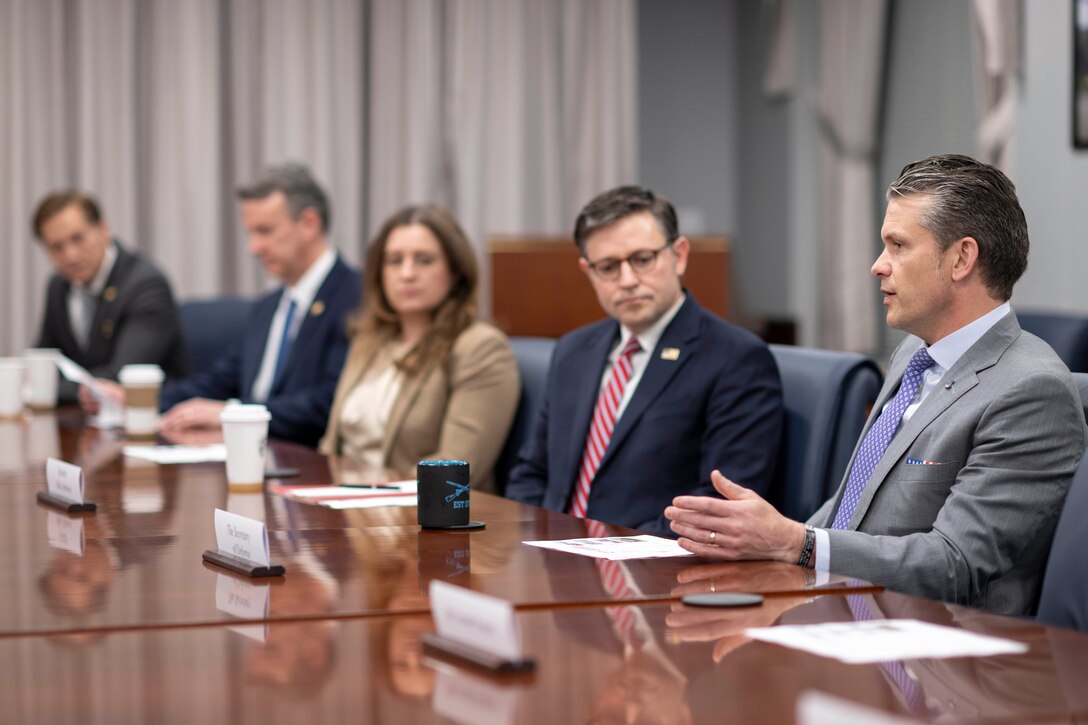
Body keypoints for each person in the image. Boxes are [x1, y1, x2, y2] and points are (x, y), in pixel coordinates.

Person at [665, 154, 1088, 616]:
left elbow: (954, 566)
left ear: (962, 258)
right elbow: (855, 504)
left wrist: (797, 543)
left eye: (898, 246)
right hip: (848, 611)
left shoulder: (1031, 392)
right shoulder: (913, 353)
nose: (877, 266)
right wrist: (768, 541)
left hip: (945, 645)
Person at [505, 185, 784, 535]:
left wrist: (611, 552)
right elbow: (531, 475)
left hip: (650, 560)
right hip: (554, 555)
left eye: (642, 260)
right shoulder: (573, 351)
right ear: (588, 272)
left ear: (679, 255)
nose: (627, 281)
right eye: (608, 267)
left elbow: (720, 503)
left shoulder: (736, 358)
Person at [148, 163, 358, 447]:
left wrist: (234, 414)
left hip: (309, 460)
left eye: (265, 231)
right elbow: (218, 381)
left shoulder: (356, 298)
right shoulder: (267, 307)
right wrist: (139, 400)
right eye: (251, 234)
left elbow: (330, 403)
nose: (254, 247)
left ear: (309, 223)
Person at [319, 205, 519, 493]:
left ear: (456, 271)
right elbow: (331, 446)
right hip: (344, 502)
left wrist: (365, 494)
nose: (407, 274)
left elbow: (454, 468)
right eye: (394, 261)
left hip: (420, 511)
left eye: (424, 260)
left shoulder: (480, 348)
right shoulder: (369, 340)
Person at [32, 191, 187, 405]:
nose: (70, 255)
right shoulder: (58, 286)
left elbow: (122, 376)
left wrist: (52, 388)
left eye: (78, 239)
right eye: (57, 247)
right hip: (84, 417)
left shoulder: (145, 285)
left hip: (151, 415)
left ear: (103, 230)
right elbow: (42, 364)